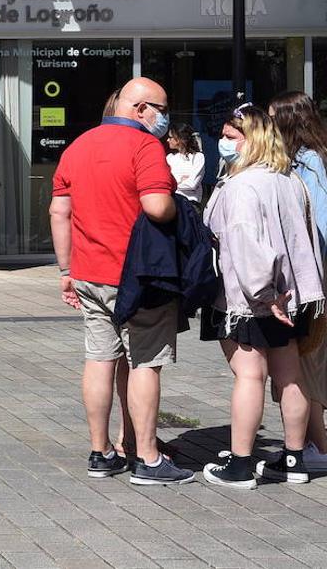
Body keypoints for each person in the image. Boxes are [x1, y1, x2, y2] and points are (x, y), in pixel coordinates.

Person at [49, 77, 195, 485]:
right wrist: (175, 203)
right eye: (162, 110)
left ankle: (102, 452)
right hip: (138, 275)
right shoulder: (144, 146)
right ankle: (148, 459)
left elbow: (59, 212)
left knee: (100, 359)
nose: (165, 118)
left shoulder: (79, 146)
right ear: (140, 108)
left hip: (89, 273)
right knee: (146, 361)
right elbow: (157, 206)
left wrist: (65, 271)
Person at [201, 105, 324, 489]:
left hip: (251, 298)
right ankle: (293, 459)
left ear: (253, 139)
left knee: (250, 376)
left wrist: (263, 293)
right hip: (296, 294)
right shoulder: (290, 180)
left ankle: (239, 464)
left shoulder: (241, 186)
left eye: (232, 137)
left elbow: (244, 241)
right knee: (291, 377)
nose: (223, 144)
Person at [269, 91, 327, 472]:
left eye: (274, 118)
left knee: (308, 360)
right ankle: (313, 444)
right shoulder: (305, 160)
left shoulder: (309, 164)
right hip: (312, 279)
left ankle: (318, 447)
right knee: (307, 361)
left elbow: (318, 227)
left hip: (314, 282)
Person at [165, 124, 205, 205]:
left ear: (179, 139)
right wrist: (181, 181)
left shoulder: (198, 157)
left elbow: (192, 184)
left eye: (170, 137)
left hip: (191, 204)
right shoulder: (169, 158)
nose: (167, 140)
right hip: (172, 203)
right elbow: (165, 181)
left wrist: (175, 183)